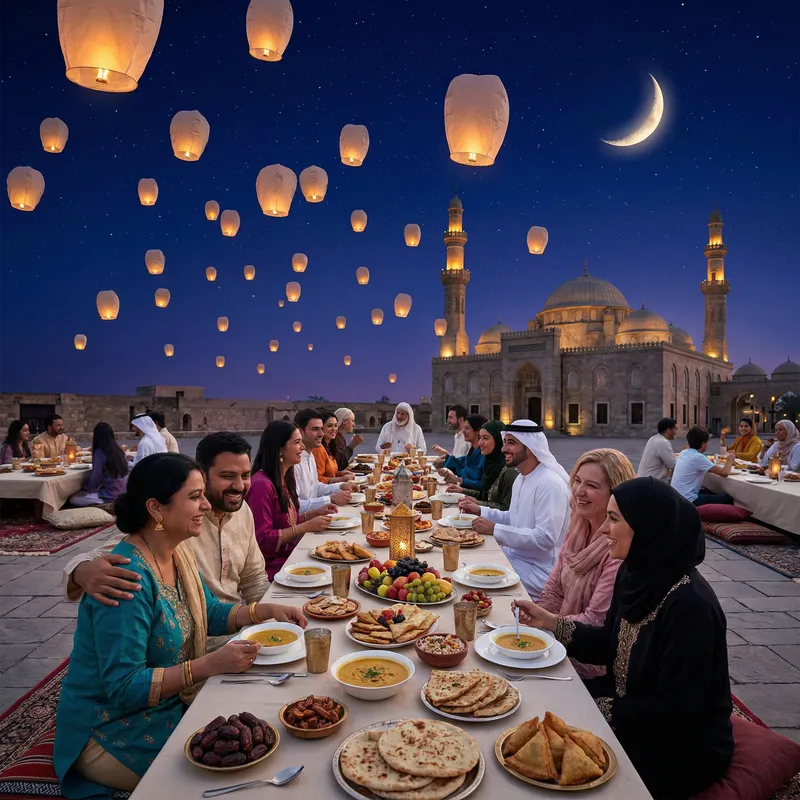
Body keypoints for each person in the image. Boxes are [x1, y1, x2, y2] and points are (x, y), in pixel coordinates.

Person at [54, 453, 307, 797]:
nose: (205, 505)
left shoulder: (175, 553)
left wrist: (263, 611)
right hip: (111, 729)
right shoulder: (127, 580)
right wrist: (208, 665)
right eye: (194, 497)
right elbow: (124, 686)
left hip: (167, 704)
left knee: (268, 733)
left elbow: (210, 611)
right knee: (233, 779)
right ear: (156, 508)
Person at [512, 477, 734, 799]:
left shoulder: (690, 607)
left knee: (560, 772)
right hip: (629, 706)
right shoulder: (635, 574)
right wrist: (550, 622)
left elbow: (675, 710)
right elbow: (611, 644)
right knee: (536, 707)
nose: (603, 530)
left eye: (614, 519)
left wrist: (595, 708)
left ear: (647, 527)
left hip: (678, 744)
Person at [64, 433, 275, 652]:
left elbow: (250, 581)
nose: (240, 486)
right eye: (228, 476)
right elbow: (123, 551)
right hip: (196, 646)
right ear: (202, 475)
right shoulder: (174, 528)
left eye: (245, 475)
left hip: (235, 630)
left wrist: (270, 616)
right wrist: (81, 571)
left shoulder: (241, 513)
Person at [534, 449, 636, 678]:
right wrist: (535, 616)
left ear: (614, 494)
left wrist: (545, 622)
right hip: (558, 638)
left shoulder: (617, 548)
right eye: (577, 481)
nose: (579, 491)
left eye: (591, 485)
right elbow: (555, 588)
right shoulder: (578, 527)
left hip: (591, 662)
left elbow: (595, 621)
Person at [458, 420, 570, 597]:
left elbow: (545, 539)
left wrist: (495, 529)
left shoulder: (549, 484)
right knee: (468, 562)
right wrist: (481, 511)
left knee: (472, 580)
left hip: (541, 573)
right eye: (504, 443)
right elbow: (514, 517)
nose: (503, 449)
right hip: (517, 558)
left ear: (531, 447)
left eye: (511, 443)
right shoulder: (522, 478)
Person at [247, 421, 335, 580]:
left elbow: (286, 522)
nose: (302, 447)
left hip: (288, 555)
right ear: (279, 449)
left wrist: (313, 514)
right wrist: (305, 526)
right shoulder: (262, 485)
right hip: (272, 565)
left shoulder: (283, 478)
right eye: (296, 442)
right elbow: (263, 539)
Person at [294, 409, 353, 510]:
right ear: (300, 431)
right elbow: (294, 507)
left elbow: (315, 487)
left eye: (321, 429)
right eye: (315, 429)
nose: (321, 434)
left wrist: (340, 486)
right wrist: (329, 499)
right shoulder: (293, 462)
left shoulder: (310, 456)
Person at [454, 420, 517, 510]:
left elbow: (506, 509)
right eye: (480, 437)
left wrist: (478, 504)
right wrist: (463, 491)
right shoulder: (490, 463)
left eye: (485, 438)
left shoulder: (508, 471)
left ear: (498, 440)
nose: (480, 443)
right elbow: (485, 495)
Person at [69, 422, 128, 507]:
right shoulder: (118, 451)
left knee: (73, 499)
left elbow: (95, 478)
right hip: (122, 493)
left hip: (108, 496)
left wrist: (86, 489)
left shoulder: (100, 453)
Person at [672, 426, 735, 506]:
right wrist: (729, 459)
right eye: (707, 442)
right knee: (728, 498)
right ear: (703, 444)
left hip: (676, 496)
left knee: (711, 491)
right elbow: (725, 473)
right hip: (689, 500)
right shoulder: (699, 457)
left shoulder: (683, 452)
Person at [439, 414, 487, 490]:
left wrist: (459, 480)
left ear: (477, 431)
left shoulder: (484, 454)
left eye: (467, 428)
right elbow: (461, 461)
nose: (463, 431)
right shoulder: (473, 449)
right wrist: (445, 460)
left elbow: (481, 484)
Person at [313, 410, 355, 484]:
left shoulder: (330, 446)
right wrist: (341, 479)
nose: (334, 429)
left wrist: (340, 473)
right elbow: (318, 480)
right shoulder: (318, 449)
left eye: (335, 425)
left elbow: (330, 472)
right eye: (329, 426)